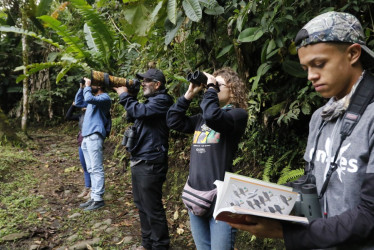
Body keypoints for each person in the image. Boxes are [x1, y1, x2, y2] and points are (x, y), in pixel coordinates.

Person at [229, 11, 374, 249]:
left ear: (353, 54)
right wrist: (260, 202)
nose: (311, 76)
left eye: (319, 64)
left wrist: (284, 232)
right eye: (306, 67)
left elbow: (369, 216)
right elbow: (311, 182)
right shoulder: (320, 117)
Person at [166, 67, 248, 250]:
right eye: (213, 85)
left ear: (233, 90)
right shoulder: (200, 119)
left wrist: (210, 88)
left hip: (221, 201)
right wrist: (189, 94)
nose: (214, 89)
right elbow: (173, 120)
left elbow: (213, 116)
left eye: (219, 85)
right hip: (195, 196)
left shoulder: (237, 116)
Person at [114, 68, 173, 250]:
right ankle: (147, 243)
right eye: (142, 80)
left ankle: (160, 246)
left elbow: (141, 111)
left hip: (151, 161)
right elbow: (133, 114)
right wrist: (130, 94)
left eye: (147, 81)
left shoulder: (163, 100)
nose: (143, 83)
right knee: (141, 204)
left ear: (157, 84)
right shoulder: (150, 101)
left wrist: (124, 96)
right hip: (140, 159)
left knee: (152, 208)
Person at [75, 77, 111, 211]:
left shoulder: (104, 98)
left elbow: (89, 99)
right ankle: (94, 197)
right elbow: (79, 102)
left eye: (92, 84)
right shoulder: (91, 97)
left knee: (96, 168)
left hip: (95, 135)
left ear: (99, 85)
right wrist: (81, 88)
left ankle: (98, 199)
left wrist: (88, 87)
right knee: (90, 169)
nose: (88, 86)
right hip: (86, 136)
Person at [65, 92, 91, 199]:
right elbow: (68, 116)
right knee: (85, 166)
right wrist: (73, 104)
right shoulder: (81, 115)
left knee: (91, 166)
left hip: (90, 140)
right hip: (81, 141)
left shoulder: (92, 114)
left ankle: (93, 190)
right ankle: (87, 188)